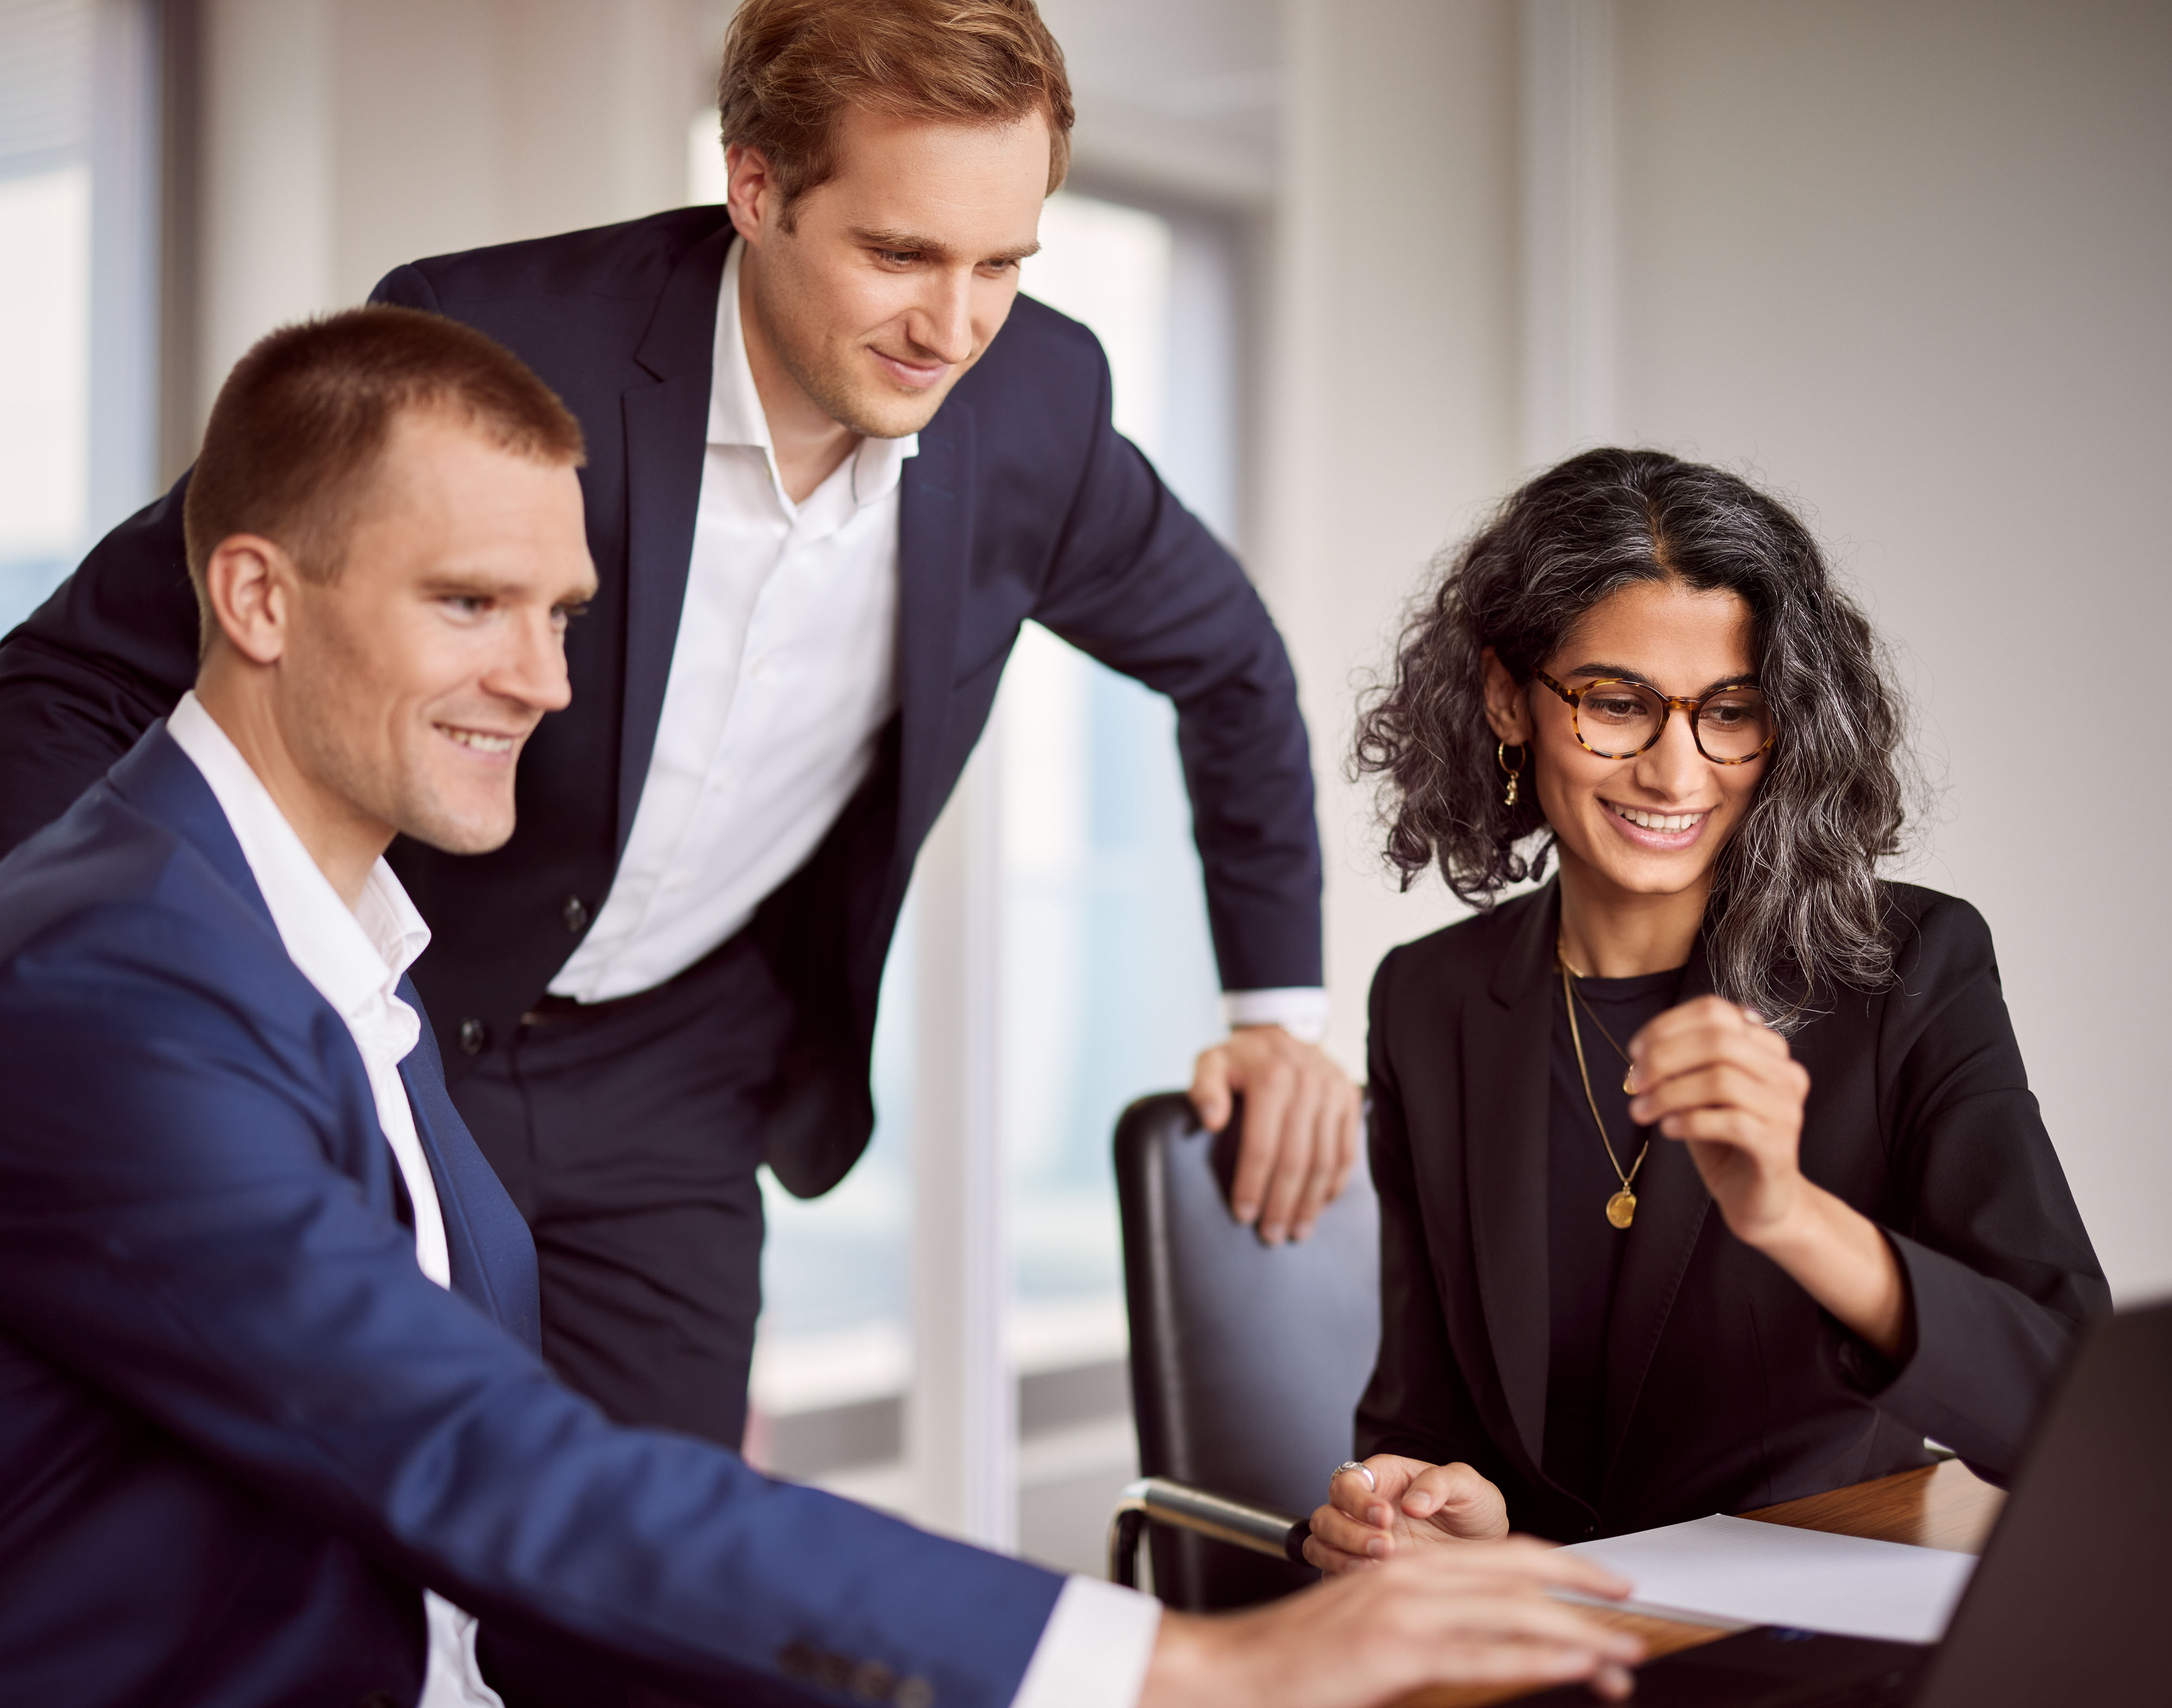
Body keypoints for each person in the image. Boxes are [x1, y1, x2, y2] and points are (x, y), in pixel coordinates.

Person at [0, 306, 1644, 1708]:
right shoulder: (121, 989)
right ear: (260, 600)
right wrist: (1194, 1667)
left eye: (561, 613)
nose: (548, 683)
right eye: (465, 604)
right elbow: (495, 1470)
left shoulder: (349, 955)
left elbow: (519, 1521)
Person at [0, 0, 1359, 1452]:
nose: (953, 328)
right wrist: (125, 995)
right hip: (379, 1024)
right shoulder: (493, 350)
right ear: (757, 187)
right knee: (350, 1558)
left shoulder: (1036, 403)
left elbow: (1229, 661)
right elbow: (74, 683)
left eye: (1002, 265)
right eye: (899, 254)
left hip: (679, 1077)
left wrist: (1279, 1016)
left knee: (650, 1610)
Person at [1300, 449, 2108, 1572]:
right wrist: (1421, 1506)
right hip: (1543, 1642)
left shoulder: (1911, 964)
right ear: (1504, 696)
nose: (1677, 776)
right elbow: (1423, 1415)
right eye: (1615, 704)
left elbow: (2072, 1418)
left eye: (1731, 713)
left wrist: (1788, 1215)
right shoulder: (1427, 998)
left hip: (1802, 1646)